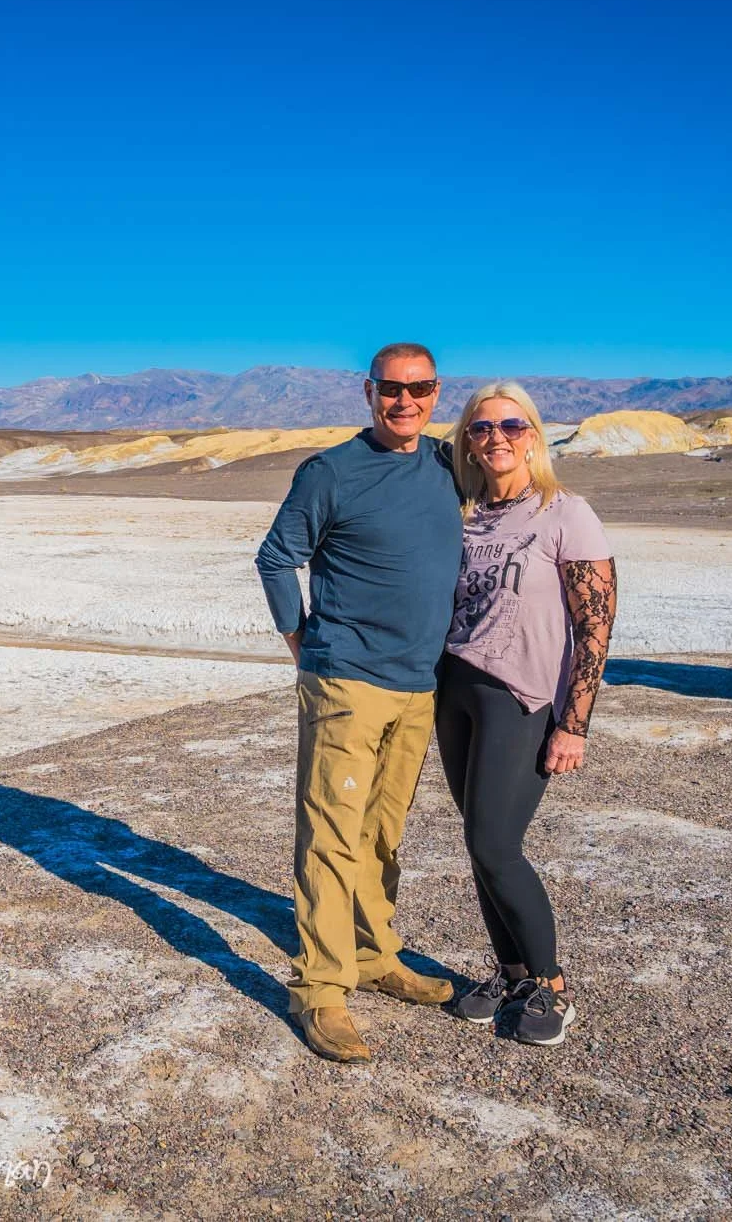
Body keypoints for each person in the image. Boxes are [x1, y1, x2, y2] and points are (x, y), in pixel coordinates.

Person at [255, 343, 464, 1063]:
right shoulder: (330, 472)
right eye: (390, 389)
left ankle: (375, 954)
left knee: (382, 831)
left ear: (438, 392)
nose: (404, 401)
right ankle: (319, 985)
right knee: (331, 830)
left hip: (417, 685)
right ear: (367, 391)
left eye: (420, 388)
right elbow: (276, 556)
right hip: (346, 680)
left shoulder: (446, 465)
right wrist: (302, 644)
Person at [437, 381, 618, 1047]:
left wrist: (574, 724)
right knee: (477, 842)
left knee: (494, 842)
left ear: (534, 435)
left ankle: (553, 985)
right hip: (454, 689)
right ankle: (511, 972)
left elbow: (595, 626)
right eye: (481, 429)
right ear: (467, 443)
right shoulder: (464, 512)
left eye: (512, 426)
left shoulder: (566, 512)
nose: (496, 438)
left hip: (523, 698)